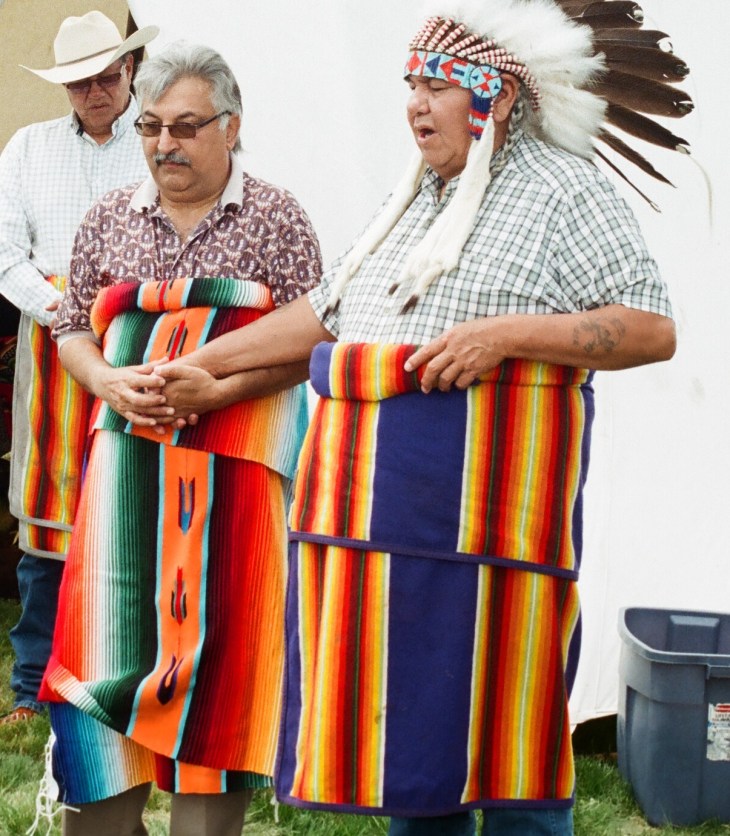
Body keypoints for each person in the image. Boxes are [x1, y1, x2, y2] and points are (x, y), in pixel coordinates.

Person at [147, 1, 679, 834]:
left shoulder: (565, 192)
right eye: (410, 83)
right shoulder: (416, 201)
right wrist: (206, 369)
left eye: (435, 84)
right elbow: (329, 315)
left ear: (495, 97)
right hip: (382, 536)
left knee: (507, 754)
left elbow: (651, 328)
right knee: (412, 760)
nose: (415, 104)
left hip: (496, 541)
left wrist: (506, 336)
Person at [38, 42, 322, 836]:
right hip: (124, 497)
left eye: (186, 127)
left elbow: (314, 340)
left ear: (231, 128)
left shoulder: (277, 218)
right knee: (98, 667)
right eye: (151, 127)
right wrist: (104, 379)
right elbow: (68, 327)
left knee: (217, 689)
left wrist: (222, 387)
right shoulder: (107, 221)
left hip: (231, 507)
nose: (165, 144)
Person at [0, 11, 158, 726]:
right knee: (44, 517)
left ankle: (131, 677)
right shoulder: (27, 147)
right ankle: (33, 685)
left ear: (129, 71)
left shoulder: (159, 141)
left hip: (141, 340)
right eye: (80, 82)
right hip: (48, 347)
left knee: (135, 504)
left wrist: (114, 311)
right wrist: (63, 309)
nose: (94, 91)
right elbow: (4, 254)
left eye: (105, 76)